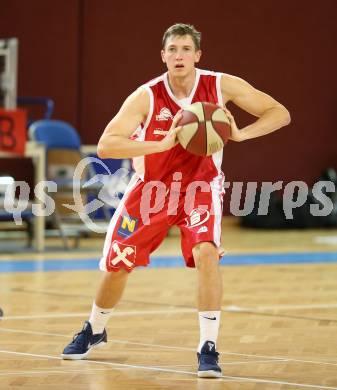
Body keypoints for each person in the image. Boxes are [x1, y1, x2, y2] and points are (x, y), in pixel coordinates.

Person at [61, 23, 290, 378]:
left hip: (200, 187)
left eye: (186, 49)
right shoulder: (147, 96)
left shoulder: (219, 85)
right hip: (151, 190)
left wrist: (241, 133)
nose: (179, 55)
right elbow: (107, 144)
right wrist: (161, 144)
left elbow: (279, 112)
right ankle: (95, 328)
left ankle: (208, 346)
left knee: (207, 253)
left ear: (198, 55)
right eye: (173, 50)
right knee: (118, 266)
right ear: (163, 55)